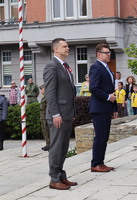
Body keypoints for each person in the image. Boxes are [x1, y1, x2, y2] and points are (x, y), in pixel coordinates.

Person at [43, 38, 77, 190]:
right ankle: (54, 179)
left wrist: (72, 112)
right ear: (56, 49)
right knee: (56, 148)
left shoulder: (65, 65)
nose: (67, 48)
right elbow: (50, 93)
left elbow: (69, 92)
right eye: (64, 46)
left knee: (64, 148)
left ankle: (61, 176)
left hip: (67, 114)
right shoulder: (51, 66)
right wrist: (55, 113)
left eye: (67, 46)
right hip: (58, 115)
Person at [89, 43, 118, 173]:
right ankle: (96, 163)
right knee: (100, 136)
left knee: (104, 136)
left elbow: (112, 90)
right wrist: (107, 97)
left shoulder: (108, 68)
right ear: (98, 54)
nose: (109, 54)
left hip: (107, 107)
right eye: (106, 53)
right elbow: (93, 88)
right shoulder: (96, 67)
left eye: (109, 52)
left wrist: (114, 108)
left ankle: (101, 162)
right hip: (99, 107)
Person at [39, 84, 50, 151]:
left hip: (46, 116)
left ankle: (49, 144)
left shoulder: (47, 97)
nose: (41, 91)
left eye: (42, 89)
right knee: (44, 130)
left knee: (47, 130)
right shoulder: (44, 97)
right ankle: (47, 143)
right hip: (43, 116)